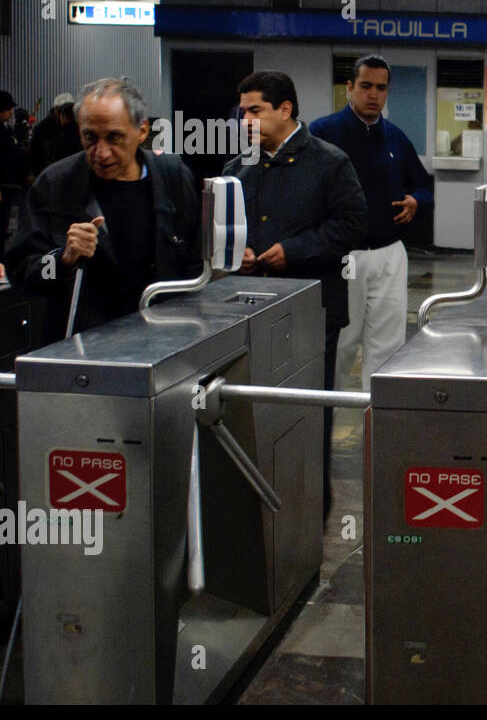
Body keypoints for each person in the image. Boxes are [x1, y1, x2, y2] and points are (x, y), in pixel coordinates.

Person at [225, 71, 367, 522]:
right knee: (255, 414)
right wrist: (236, 253)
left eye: (255, 110)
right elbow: (221, 231)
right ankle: (262, 507)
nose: (244, 119)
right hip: (251, 310)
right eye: (242, 110)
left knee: (309, 411)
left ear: (285, 109)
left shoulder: (329, 162)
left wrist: (296, 251)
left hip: (313, 311)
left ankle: (310, 512)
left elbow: (352, 225)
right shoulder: (237, 168)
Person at [5, 77, 201, 332]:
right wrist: (62, 260)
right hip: (82, 347)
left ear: (142, 131)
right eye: (90, 137)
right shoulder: (55, 186)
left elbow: (196, 265)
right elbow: (22, 273)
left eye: (114, 137)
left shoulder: (172, 178)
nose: (102, 152)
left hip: (162, 338)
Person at [309, 55, 432, 391]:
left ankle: (378, 423)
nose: (373, 94)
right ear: (350, 87)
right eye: (366, 86)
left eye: (381, 88)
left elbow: (422, 185)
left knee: (387, 348)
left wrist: (416, 201)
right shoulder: (324, 132)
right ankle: (323, 420)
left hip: (390, 253)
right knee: (342, 345)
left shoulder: (395, 137)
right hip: (344, 257)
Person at [28, 93, 82, 179]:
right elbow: (35, 155)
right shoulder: (43, 128)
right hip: (52, 174)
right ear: (56, 109)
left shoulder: (77, 125)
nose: (67, 112)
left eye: (69, 109)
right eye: (63, 109)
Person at [0, 90, 27, 254]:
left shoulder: (6, 129)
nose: (11, 112)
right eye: (8, 109)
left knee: (4, 226)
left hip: (10, 185)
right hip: (2, 186)